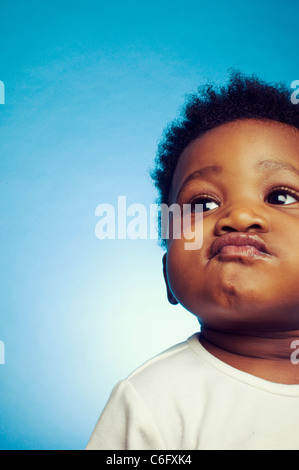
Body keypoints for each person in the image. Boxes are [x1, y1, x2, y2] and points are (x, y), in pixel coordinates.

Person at [86, 71, 299, 450]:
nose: (239, 216)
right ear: (167, 274)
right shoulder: (153, 401)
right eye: (203, 204)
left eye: (280, 196)